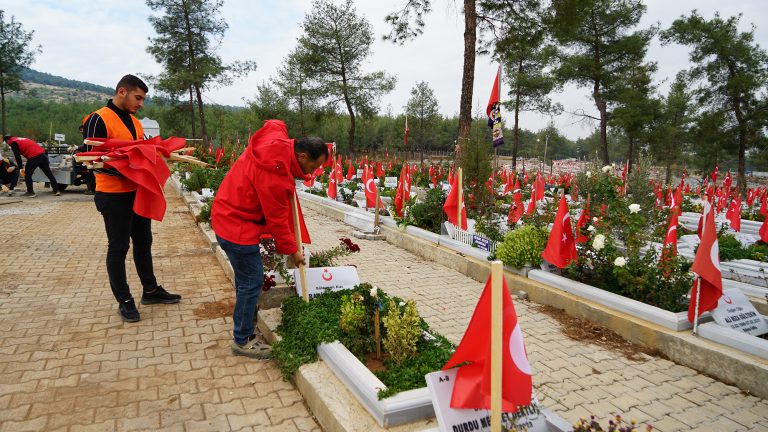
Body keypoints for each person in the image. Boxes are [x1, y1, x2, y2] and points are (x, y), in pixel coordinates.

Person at [211, 120, 327, 359]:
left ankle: (245, 325)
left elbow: (275, 124)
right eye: (313, 166)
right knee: (251, 282)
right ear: (302, 155)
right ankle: (242, 341)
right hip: (236, 224)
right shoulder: (275, 174)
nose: (312, 173)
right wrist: (293, 251)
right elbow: (277, 221)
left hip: (228, 214)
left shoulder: (278, 144)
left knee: (247, 281)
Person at [83, 74, 181, 323]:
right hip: (113, 195)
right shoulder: (98, 118)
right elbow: (91, 160)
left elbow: (140, 153)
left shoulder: (136, 124)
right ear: (122, 91)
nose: (141, 103)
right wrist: (126, 167)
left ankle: (150, 291)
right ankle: (124, 300)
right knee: (119, 247)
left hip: (136, 192)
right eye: (138, 98)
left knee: (144, 241)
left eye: (143, 99)